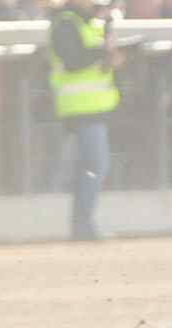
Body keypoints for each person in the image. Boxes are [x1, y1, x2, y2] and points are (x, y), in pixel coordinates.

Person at [46, 0, 122, 241]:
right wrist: (104, 52)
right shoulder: (66, 23)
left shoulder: (87, 22)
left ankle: (82, 224)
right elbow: (73, 61)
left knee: (89, 168)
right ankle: (82, 225)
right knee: (92, 167)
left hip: (92, 110)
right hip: (78, 111)